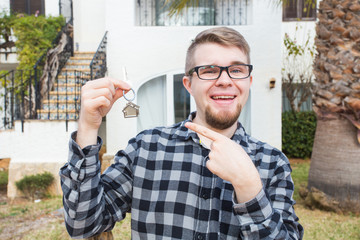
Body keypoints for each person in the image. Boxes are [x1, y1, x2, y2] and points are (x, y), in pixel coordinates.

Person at [60, 27, 304, 239]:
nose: (225, 80)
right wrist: (88, 127)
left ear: (249, 82)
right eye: (209, 70)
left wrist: (249, 187)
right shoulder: (147, 148)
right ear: (188, 84)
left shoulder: (273, 164)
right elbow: (83, 224)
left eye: (237, 70)